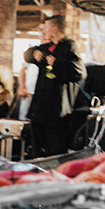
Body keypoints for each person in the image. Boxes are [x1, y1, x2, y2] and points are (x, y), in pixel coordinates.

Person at [25, 15, 87, 157]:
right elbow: (27, 56)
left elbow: (80, 73)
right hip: (40, 109)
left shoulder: (69, 47)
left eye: (45, 28)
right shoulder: (45, 47)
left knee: (55, 150)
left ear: (54, 29)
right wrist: (33, 52)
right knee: (37, 150)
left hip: (57, 112)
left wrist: (56, 64)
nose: (43, 32)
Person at [17, 22, 47, 120]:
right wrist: (22, 87)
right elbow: (22, 70)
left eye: (44, 29)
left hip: (43, 93)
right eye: (40, 30)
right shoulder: (33, 50)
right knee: (24, 118)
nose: (42, 33)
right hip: (29, 92)